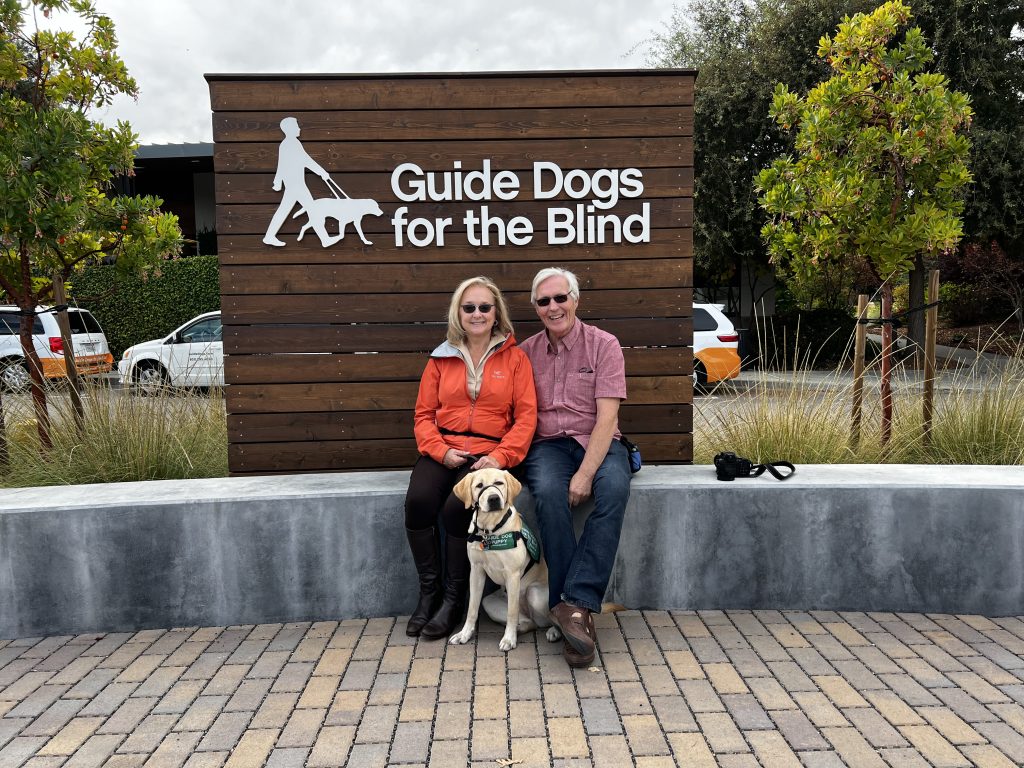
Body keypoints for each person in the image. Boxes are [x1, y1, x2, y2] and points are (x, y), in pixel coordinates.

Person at [404, 277, 537, 639]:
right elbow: (423, 415)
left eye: (484, 307)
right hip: (444, 448)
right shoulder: (441, 357)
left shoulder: (516, 359)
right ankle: (429, 595)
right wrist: (441, 451)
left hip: (490, 453)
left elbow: (526, 418)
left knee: (454, 509)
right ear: (458, 313)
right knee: (418, 502)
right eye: (469, 307)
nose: (477, 314)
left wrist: (499, 457)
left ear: (496, 313)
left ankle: (453, 601)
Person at [519, 267, 631, 667]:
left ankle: (572, 604)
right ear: (535, 307)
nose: (553, 307)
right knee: (549, 494)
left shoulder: (604, 345)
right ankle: (574, 614)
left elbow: (607, 418)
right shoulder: (525, 353)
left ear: (575, 300)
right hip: (548, 446)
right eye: (543, 301)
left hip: (597, 440)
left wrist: (585, 474)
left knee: (613, 490)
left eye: (560, 298)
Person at [263, 117, 331, 247]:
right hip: (297, 186)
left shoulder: (288, 144)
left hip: (294, 185)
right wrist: (322, 172)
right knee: (313, 210)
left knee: (286, 210)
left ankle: (269, 236)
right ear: (290, 129)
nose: (299, 128)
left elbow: (285, 164)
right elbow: (305, 160)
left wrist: (278, 181)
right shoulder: (291, 144)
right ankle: (325, 239)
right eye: (296, 126)